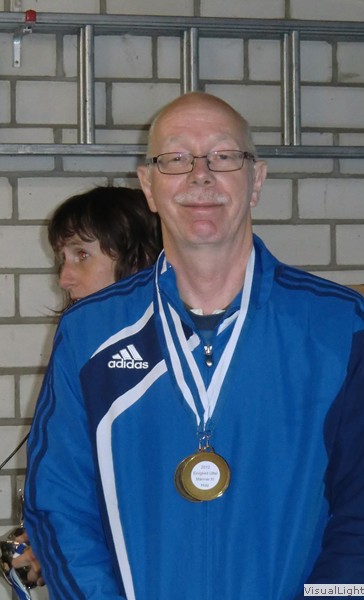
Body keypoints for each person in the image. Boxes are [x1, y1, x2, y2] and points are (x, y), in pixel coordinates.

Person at [23, 92, 364, 600]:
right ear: (149, 186)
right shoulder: (90, 331)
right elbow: (58, 502)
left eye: (224, 156)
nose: (200, 175)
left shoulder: (337, 324)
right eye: (176, 158)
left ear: (256, 180)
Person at [7, 185, 162, 591]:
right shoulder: (81, 347)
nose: (64, 277)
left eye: (82, 255)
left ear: (138, 258)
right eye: (62, 258)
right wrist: (51, 545)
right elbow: (69, 487)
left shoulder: (189, 359)